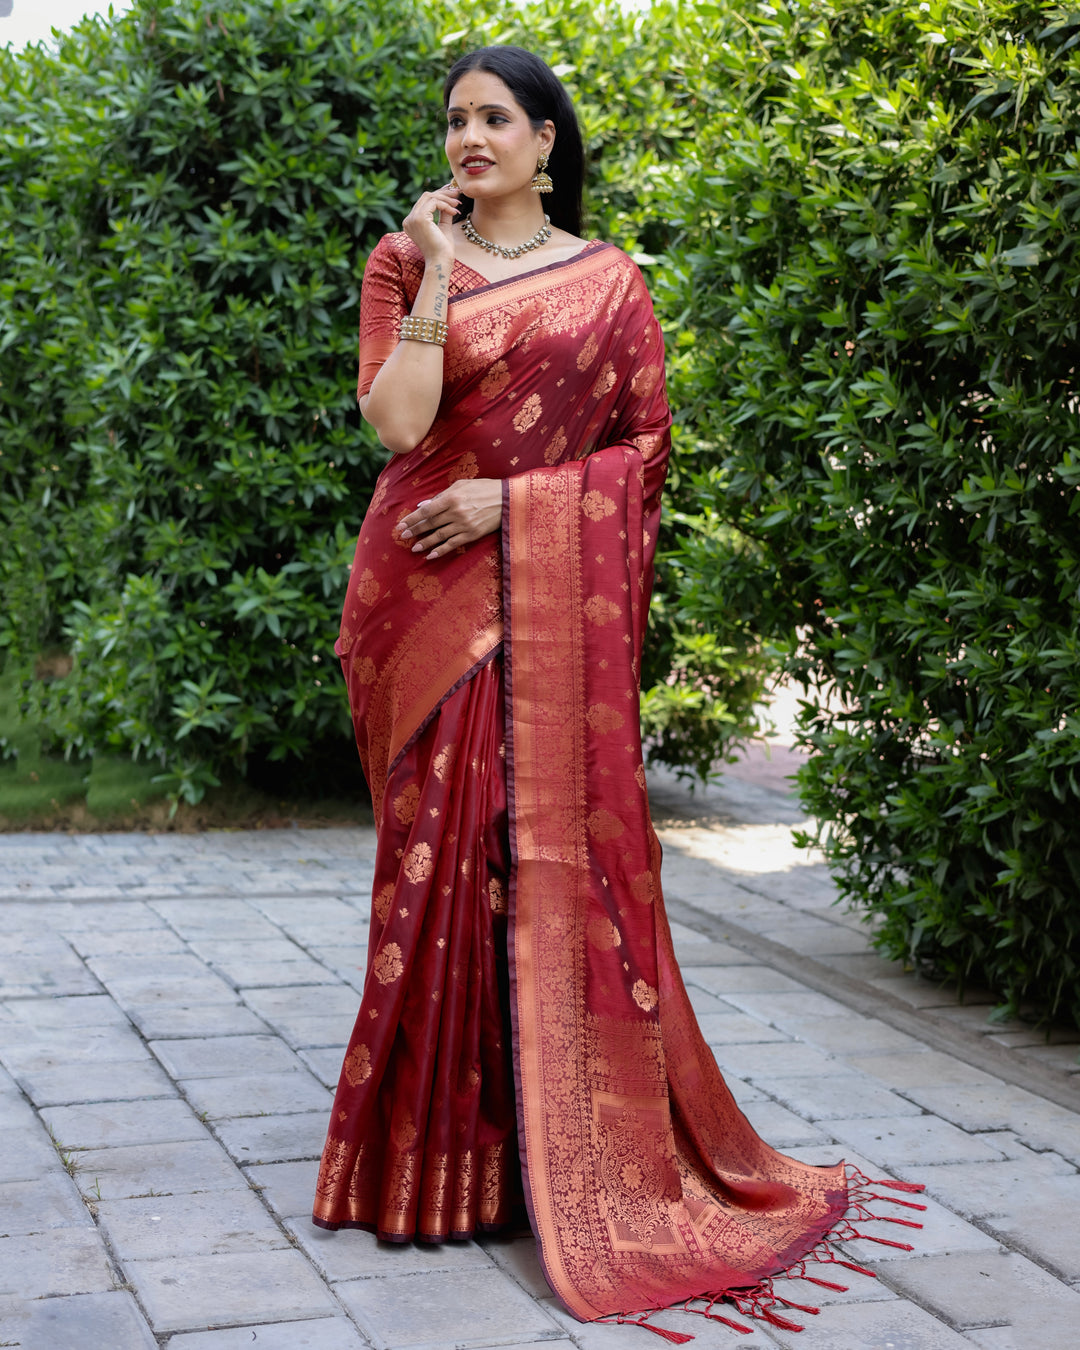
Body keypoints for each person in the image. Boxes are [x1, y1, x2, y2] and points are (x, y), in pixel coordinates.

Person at [312, 44, 922, 1337]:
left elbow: (639, 462)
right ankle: (430, 1164)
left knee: (525, 869)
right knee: (429, 868)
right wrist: (428, 275)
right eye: (454, 121)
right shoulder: (401, 261)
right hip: (415, 613)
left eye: (493, 119)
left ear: (545, 138)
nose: (468, 139)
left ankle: (538, 1149)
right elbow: (400, 427)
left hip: (529, 609)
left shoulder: (611, 288)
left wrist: (510, 504)